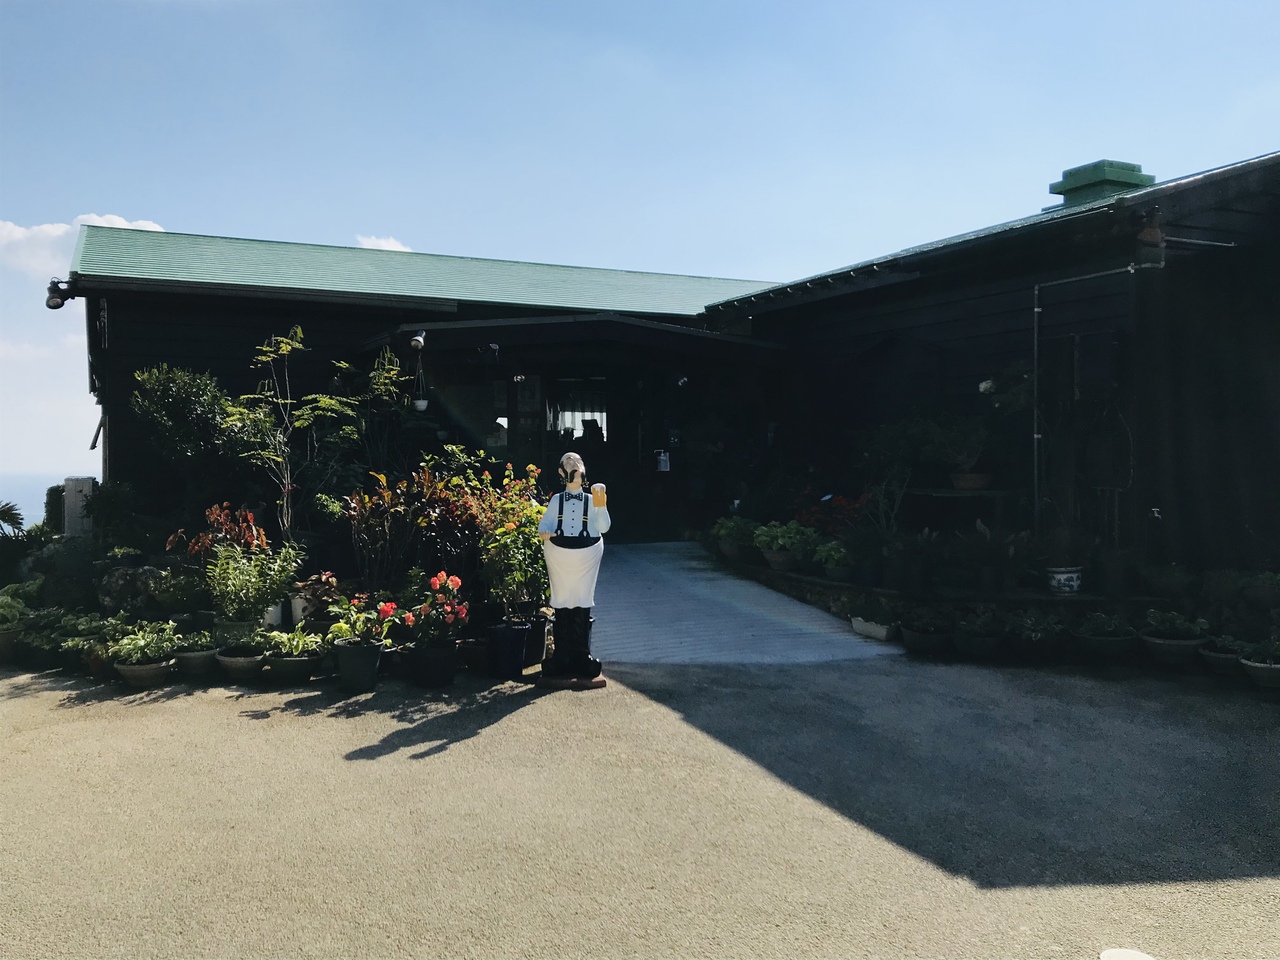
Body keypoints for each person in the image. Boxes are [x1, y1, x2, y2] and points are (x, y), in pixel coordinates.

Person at [538, 451, 610, 684]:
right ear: (562, 472)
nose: (575, 465)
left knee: (582, 600)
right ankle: (562, 656)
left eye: (578, 462)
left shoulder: (591, 499)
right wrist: (545, 531)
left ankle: (581, 656)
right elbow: (545, 523)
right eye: (569, 462)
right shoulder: (557, 500)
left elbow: (604, 526)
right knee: (561, 601)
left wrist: (601, 504)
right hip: (559, 554)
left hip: (587, 554)